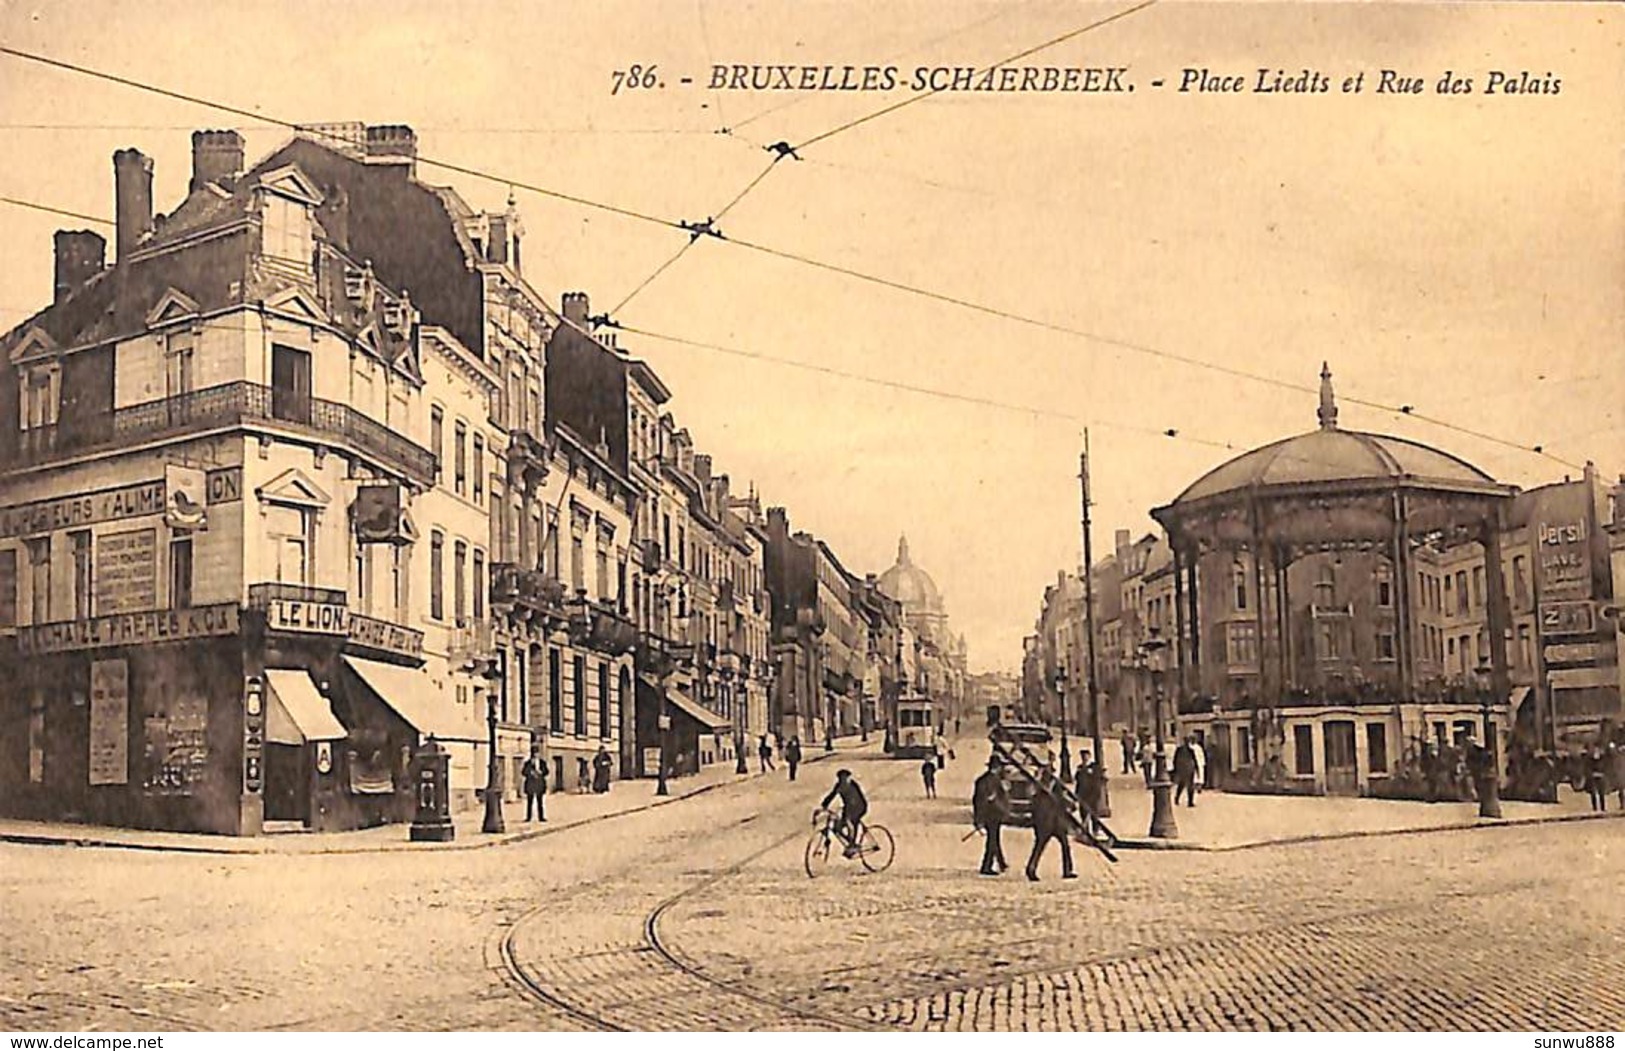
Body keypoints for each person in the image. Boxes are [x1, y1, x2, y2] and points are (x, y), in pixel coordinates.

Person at [1025, 767, 1077, 882]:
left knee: (1064, 845)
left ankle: (1067, 870)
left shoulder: (1054, 786)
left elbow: (1061, 798)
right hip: (1045, 821)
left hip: (1055, 821)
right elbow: (1030, 795)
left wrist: (1070, 804)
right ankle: (1031, 868)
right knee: (1040, 846)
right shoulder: (1039, 787)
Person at [972, 756, 1010, 876]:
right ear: (997, 767)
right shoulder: (993, 781)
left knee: (994, 838)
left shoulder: (983, 780)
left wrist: (978, 818)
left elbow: (976, 801)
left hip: (988, 814)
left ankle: (1001, 862)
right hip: (992, 814)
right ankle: (986, 866)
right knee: (992, 840)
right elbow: (987, 800)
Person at [819, 768, 869, 857]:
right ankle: (850, 842)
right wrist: (824, 805)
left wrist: (846, 812)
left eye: (845, 778)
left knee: (850, 823)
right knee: (837, 827)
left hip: (859, 807)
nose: (843, 781)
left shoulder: (853, 786)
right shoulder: (839, 786)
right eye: (841, 779)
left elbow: (856, 799)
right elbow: (832, 795)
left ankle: (853, 845)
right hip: (848, 808)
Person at [522, 748, 548, 822]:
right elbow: (523, 772)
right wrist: (530, 773)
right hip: (530, 784)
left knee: (540, 802)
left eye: (537, 754)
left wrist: (541, 772)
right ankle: (528, 817)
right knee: (529, 802)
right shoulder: (528, 763)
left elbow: (546, 772)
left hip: (539, 784)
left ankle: (541, 817)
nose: (535, 755)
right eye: (534, 754)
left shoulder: (542, 763)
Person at [1173, 737, 1198, 807]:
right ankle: (1182, 799)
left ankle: (1188, 801)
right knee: (1184, 785)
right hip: (1185, 769)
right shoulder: (1182, 750)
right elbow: (1195, 760)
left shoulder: (1189, 750)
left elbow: (1194, 760)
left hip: (1187, 769)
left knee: (1186, 785)